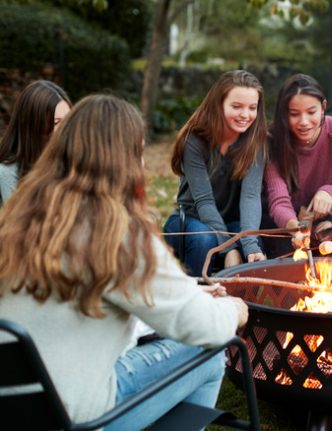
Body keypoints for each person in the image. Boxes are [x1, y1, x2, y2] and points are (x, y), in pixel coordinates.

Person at [0, 95, 249, 429]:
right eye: (140, 152)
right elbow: (205, 327)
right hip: (77, 417)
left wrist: (191, 293)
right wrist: (234, 309)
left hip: (14, 410)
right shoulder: (117, 234)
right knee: (211, 351)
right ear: (125, 161)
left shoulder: (18, 216)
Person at [164, 70, 268, 276]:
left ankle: (245, 304)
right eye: (236, 106)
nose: (245, 115)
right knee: (206, 240)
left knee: (254, 241)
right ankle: (196, 297)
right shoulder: (195, 141)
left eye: (252, 108)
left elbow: (250, 197)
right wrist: (228, 248)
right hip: (191, 221)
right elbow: (204, 202)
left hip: (232, 223)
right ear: (219, 104)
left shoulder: (256, 142)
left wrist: (250, 246)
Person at [261, 73, 332, 257]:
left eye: (311, 112)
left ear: (323, 107)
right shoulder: (272, 140)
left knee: (331, 250)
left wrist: (328, 191)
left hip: (318, 218)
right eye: (294, 114)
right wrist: (297, 230)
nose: (304, 122)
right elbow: (278, 201)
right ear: (284, 114)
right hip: (280, 223)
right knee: (290, 260)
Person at [0, 80, 71, 205]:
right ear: (33, 125)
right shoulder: (7, 173)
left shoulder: (70, 163)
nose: (63, 129)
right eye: (55, 122)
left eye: (67, 121)